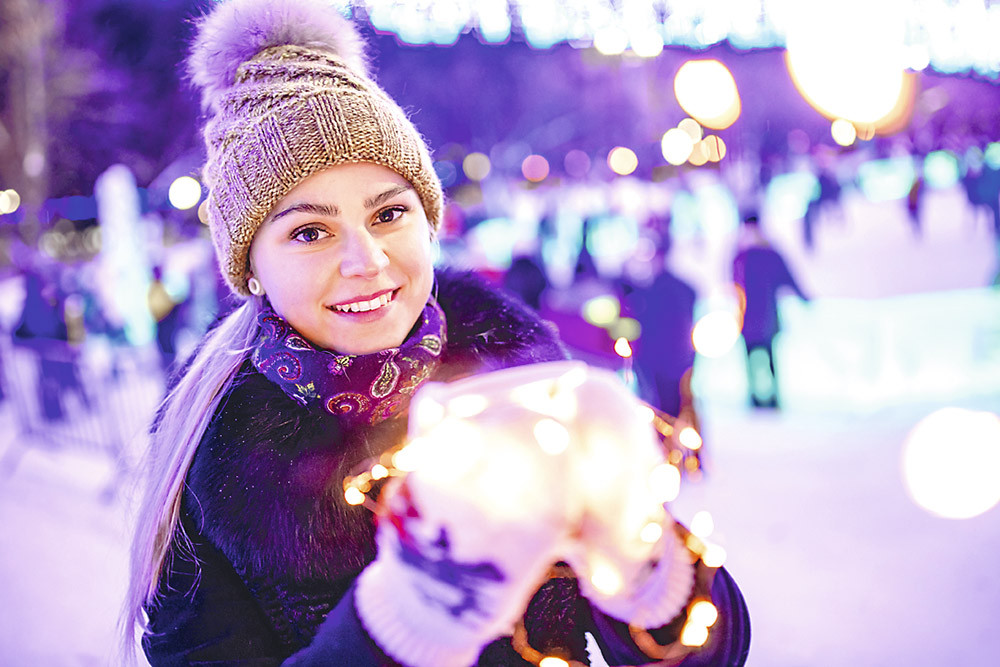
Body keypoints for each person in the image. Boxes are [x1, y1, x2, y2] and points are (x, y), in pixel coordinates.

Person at [122, 1, 750, 665]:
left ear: (427, 222)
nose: (366, 260)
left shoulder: (519, 371)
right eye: (309, 231)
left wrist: (645, 566)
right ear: (250, 266)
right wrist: (403, 623)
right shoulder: (211, 450)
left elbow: (709, 651)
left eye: (388, 214)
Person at [732, 215, 809, 409]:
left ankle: (769, 397)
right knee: (756, 357)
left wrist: (803, 296)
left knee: (765, 357)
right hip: (753, 319)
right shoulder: (744, 257)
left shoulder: (751, 257)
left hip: (762, 318)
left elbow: (787, 278)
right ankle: (759, 397)